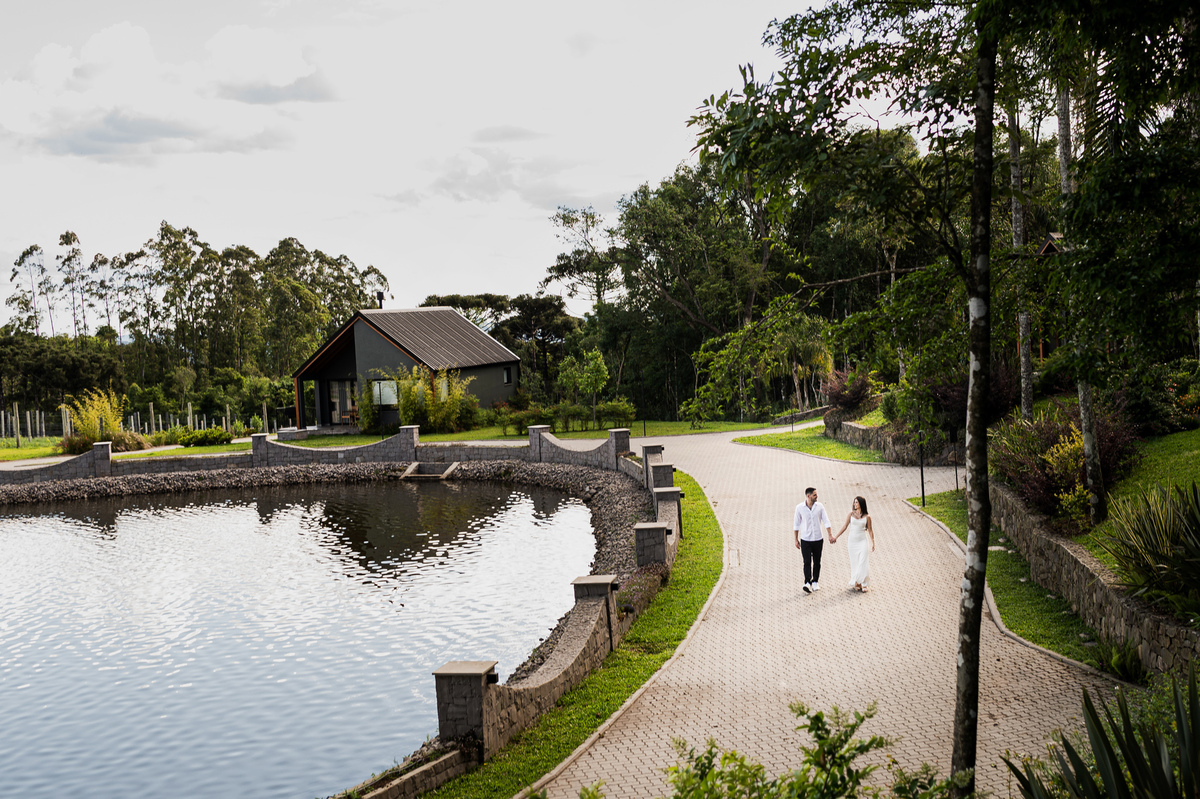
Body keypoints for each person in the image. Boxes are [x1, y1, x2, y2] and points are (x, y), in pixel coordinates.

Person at [793, 486, 833, 594]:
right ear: (808, 496)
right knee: (806, 562)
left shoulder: (820, 507)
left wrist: (830, 534)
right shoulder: (799, 508)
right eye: (815, 495)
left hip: (818, 539)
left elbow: (826, 521)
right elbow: (796, 524)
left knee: (817, 561)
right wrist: (796, 540)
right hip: (805, 539)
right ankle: (807, 582)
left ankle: (815, 581)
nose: (817, 496)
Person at [832, 496, 875, 592]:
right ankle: (857, 582)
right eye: (854, 502)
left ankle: (864, 583)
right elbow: (845, 526)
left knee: (863, 561)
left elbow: (870, 530)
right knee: (855, 562)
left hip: (863, 541)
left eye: (857, 502)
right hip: (852, 542)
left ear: (861, 504)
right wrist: (836, 537)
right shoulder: (851, 514)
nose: (855, 504)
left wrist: (873, 542)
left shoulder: (867, 517)